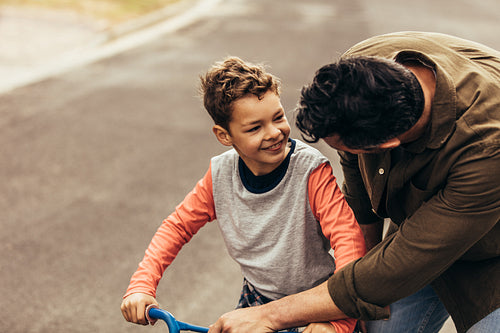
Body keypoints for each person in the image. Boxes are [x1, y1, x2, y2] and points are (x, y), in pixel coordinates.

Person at [207, 32, 500, 333]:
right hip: (423, 227)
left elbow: (398, 268)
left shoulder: (488, 148)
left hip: (491, 255)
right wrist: (352, 290)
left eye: (347, 148)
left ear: (388, 144)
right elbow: (359, 188)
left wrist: (268, 315)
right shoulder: (360, 68)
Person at [120, 56, 366, 333]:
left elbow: (348, 240)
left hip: (318, 304)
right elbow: (176, 228)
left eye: (278, 117)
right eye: (254, 127)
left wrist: (338, 323)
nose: (274, 133)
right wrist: (142, 284)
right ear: (224, 135)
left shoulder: (310, 170)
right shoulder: (221, 174)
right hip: (257, 300)